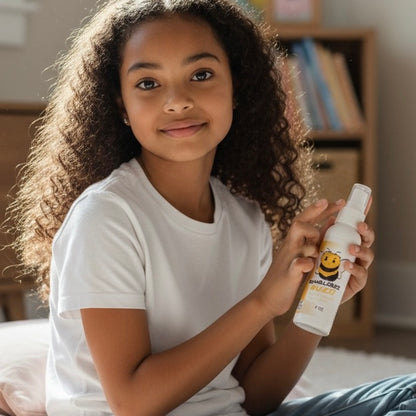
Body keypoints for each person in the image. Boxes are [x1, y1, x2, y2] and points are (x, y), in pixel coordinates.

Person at [6, 0, 414, 415]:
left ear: (236, 88)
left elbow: (254, 397)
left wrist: (315, 307)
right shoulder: (106, 218)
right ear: (121, 106)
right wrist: (263, 301)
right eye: (148, 83)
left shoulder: (244, 217)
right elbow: (133, 403)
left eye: (201, 74)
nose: (177, 100)